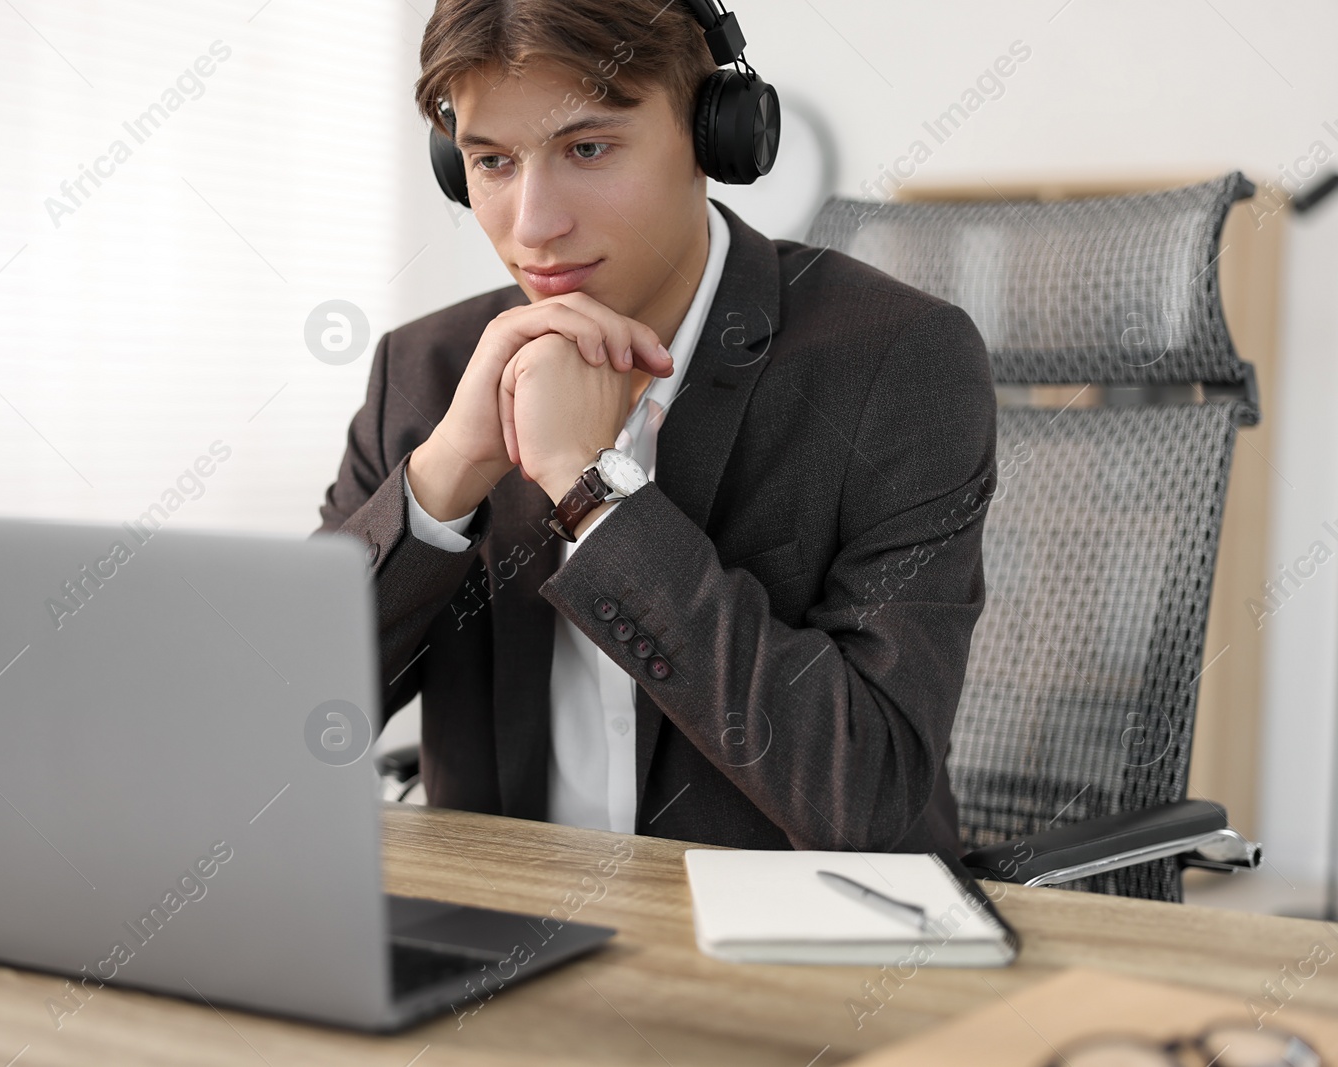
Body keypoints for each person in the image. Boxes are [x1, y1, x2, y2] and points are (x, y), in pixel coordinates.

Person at [316, 0, 996, 854]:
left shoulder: (897, 363)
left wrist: (592, 493)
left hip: (797, 956)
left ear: (715, 137)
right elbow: (275, 730)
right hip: (500, 953)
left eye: (588, 149)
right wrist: (445, 475)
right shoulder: (426, 373)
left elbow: (866, 791)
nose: (533, 226)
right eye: (491, 161)